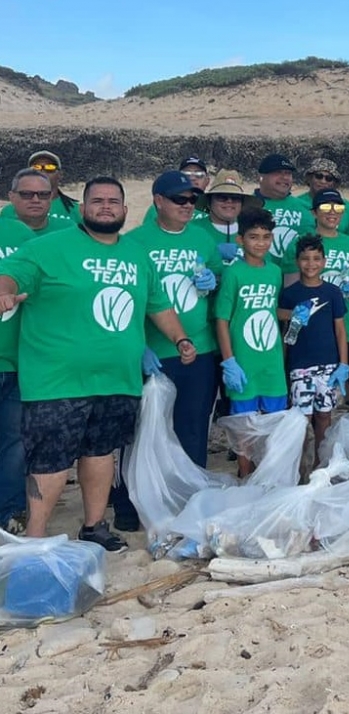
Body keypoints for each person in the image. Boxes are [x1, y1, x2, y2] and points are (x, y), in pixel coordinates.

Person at [0, 176, 195, 550]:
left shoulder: (137, 254)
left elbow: (157, 304)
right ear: (82, 207)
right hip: (57, 381)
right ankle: (36, 535)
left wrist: (180, 338)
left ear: (125, 210)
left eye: (113, 201)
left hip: (117, 379)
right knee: (50, 462)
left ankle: (94, 526)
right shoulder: (49, 247)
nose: (106, 206)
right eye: (97, 200)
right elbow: (10, 274)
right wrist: (6, 293)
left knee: (100, 454)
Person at [125, 171, 223, 470]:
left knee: (193, 427)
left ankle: (189, 495)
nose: (188, 205)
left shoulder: (202, 237)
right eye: (179, 199)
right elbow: (126, 299)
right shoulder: (134, 242)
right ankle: (132, 505)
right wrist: (138, 347)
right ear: (158, 201)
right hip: (153, 351)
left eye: (193, 199)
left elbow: (217, 278)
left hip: (199, 349)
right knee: (144, 431)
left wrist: (213, 281)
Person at [283, 190, 349, 419]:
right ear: (314, 212)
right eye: (326, 208)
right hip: (311, 328)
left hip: (347, 324)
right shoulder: (302, 242)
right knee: (301, 395)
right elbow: (289, 287)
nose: (332, 213)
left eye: (338, 208)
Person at [214, 206, 288, 425]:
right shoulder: (233, 273)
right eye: (254, 237)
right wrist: (229, 361)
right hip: (243, 362)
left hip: (271, 362)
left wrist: (294, 314)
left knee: (275, 424)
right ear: (240, 239)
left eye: (266, 237)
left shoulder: (275, 271)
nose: (261, 243)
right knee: (244, 429)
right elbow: (222, 319)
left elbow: (270, 310)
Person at [278, 235, 348, 459]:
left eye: (316, 258)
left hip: (328, 365)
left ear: (324, 261)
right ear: (297, 261)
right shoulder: (290, 294)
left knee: (324, 416)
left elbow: (340, 330)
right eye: (305, 259)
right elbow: (287, 334)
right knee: (301, 419)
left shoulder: (332, 292)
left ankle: (320, 462)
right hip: (301, 366)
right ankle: (297, 468)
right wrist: (284, 365)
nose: (311, 264)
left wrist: (343, 364)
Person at [0, 215, 33, 532]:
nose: (35, 200)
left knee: (14, 444)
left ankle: (8, 512)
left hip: (17, 361)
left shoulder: (20, 235)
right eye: (26, 194)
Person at [254, 153, 316, 264]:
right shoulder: (246, 206)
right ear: (261, 177)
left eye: (288, 173)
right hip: (258, 275)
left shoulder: (306, 208)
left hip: (297, 274)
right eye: (278, 172)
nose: (284, 177)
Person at [196, 170, 263, 265]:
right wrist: (213, 251)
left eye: (235, 198)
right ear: (209, 202)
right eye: (222, 197)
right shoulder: (193, 228)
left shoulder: (255, 231)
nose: (229, 201)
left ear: (242, 204)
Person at [0, 150, 79, 221]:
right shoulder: (8, 211)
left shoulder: (77, 210)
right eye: (36, 167)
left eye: (50, 167)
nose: (43, 171)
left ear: (60, 175)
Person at [142, 157, 210, 226]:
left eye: (199, 175)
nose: (192, 178)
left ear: (207, 180)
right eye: (186, 174)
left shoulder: (216, 205)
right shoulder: (161, 207)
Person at [7, 169, 75, 236]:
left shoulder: (69, 229)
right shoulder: (3, 230)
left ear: (51, 197)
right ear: (12, 197)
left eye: (43, 194)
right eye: (26, 194)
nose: (36, 200)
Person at [304, 158, 349, 235]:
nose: (323, 181)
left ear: (334, 183)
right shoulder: (297, 204)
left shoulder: (346, 207)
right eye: (319, 176)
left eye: (328, 178)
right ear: (310, 178)